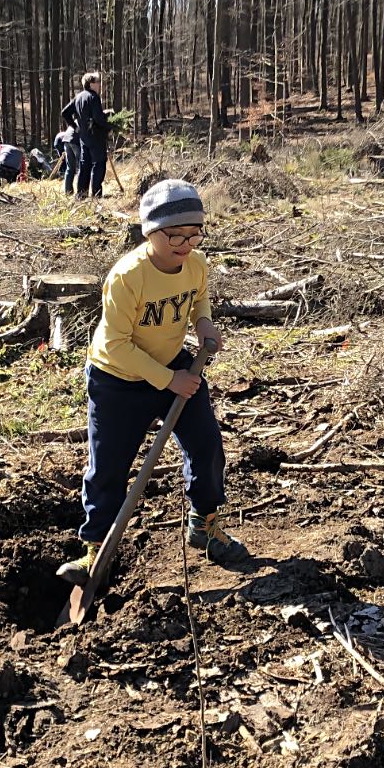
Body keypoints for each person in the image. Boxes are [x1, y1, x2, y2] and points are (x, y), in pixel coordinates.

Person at [57, 178, 250, 584]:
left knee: (207, 446)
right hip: (119, 379)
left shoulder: (195, 264)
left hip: (176, 368)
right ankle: (95, 551)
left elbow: (199, 298)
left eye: (194, 234)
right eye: (174, 235)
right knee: (109, 465)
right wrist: (168, 380)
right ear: (151, 232)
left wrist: (204, 326)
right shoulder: (129, 276)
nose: (185, 243)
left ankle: (204, 525)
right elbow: (115, 345)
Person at [61, 71, 111, 200]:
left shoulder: (78, 97)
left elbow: (65, 113)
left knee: (84, 165)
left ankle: (81, 195)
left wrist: (76, 127)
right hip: (96, 136)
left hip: (84, 137)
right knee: (99, 164)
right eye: (98, 82)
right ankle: (96, 195)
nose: (100, 85)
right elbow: (98, 118)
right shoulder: (93, 97)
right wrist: (108, 126)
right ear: (92, 84)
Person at [52, 125, 78, 194]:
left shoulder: (67, 131)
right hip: (61, 141)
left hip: (61, 142)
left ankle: (68, 190)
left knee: (66, 161)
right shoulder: (70, 132)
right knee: (66, 159)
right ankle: (62, 169)